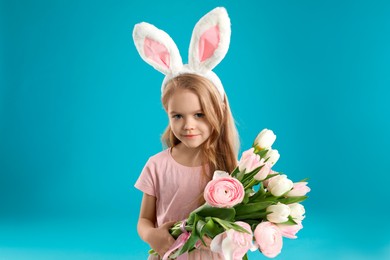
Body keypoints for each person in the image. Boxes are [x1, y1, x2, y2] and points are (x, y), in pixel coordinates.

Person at [133, 7, 238, 259]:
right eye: (177, 116)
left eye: (199, 115)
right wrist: (152, 235)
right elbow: (144, 220)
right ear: (167, 114)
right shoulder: (156, 166)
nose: (188, 125)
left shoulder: (227, 164)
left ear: (219, 111)